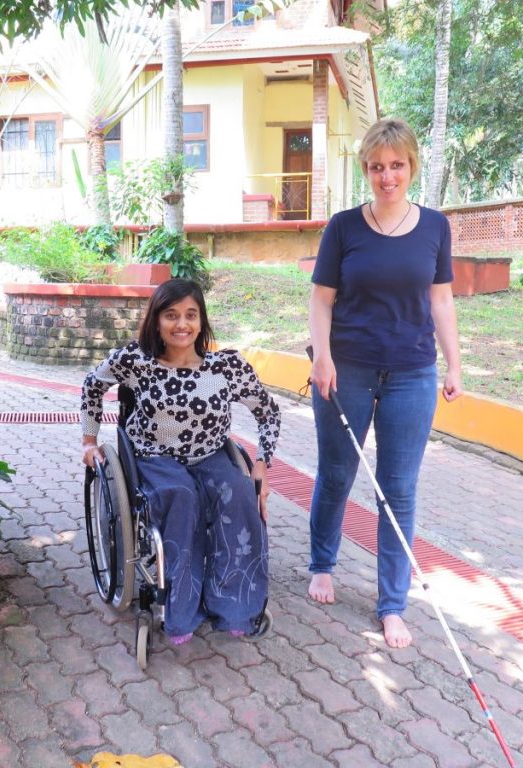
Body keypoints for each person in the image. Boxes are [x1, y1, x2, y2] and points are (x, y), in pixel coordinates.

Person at [306, 117, 463, 649]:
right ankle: (322, 563)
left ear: (411, 166)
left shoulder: (435, 227)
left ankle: (392, 603)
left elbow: (441, 299)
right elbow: (321, 299)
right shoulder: (344, 227)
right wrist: (322, 359)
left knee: (398, 491)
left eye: (396, 165)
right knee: (336, 474)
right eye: (377, 167)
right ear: (366, 170)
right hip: (345, 368)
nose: (387, 176)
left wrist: (454, 365)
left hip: (412, 374)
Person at [81, 278, 281, 644]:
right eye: (171, 315)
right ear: (156, 321)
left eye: (191, 315)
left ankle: (234, 605)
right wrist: (89, 441)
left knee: (238, 493)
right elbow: (93, 384)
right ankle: (181, 610)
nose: (181, 324)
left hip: (211, 454)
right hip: (154, 457)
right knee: (181, 497)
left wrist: (262, 464)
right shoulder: (136, 361)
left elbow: (268, 413)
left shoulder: (227, 367)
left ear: (202, 321)